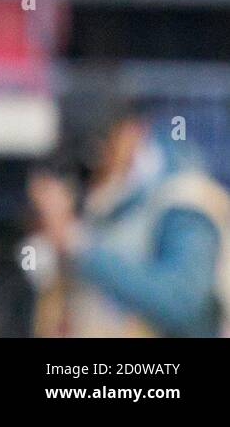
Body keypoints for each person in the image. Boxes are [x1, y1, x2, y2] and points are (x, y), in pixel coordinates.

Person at [31, 92, 230, 337]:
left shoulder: (184, 199)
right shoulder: (96, 194)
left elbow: (184, 305)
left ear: (132, 131)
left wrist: (78, 244)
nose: (95, 165)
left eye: (101, 147)